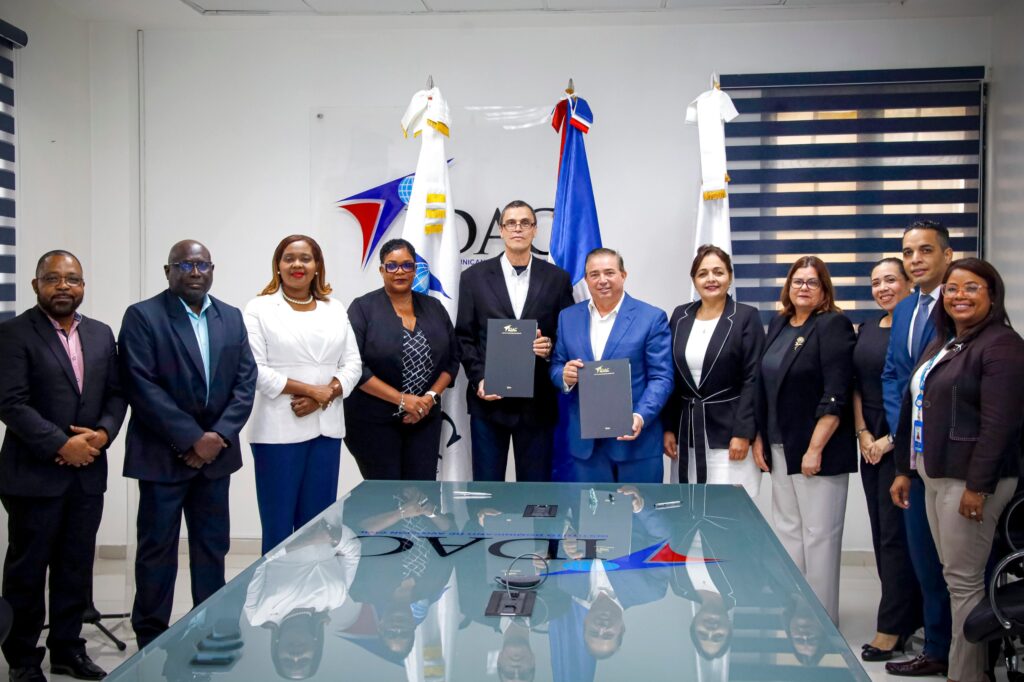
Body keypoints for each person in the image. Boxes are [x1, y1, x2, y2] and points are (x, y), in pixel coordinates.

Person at [891, 258, 1024, 682]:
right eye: (952, 289)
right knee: (953, 579)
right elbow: (914, 407)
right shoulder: (948, 343)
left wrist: (977, 488)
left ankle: (966, 676)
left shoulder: (1001, 345)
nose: (959, 296)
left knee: (963, 582)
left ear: (992, 295)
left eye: (971, 288)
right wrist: (904, 469)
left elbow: (1000, 425)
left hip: (970, 481)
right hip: (935, 474)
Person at [119, 239, 257, 649]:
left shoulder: (230, 317)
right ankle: (151, 636)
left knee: (212, 547)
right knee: (156, 550)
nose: (195, 272)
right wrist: (192, 438)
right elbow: (141, 385)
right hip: (162, 456)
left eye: (202, 265)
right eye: (184, 265)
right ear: (168, 272)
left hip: (216, 458)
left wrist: (217, 437)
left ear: (212, 270)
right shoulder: (143, 316)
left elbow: (245, 383)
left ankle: (211, 625)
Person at [0, 251, 127, 682]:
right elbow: (10, 402)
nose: (63, 286)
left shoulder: (100, 333)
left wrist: (104, 435)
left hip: (88, 472)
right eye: (52, 279)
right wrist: (61, 444)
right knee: (28, 571)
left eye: (72, 279)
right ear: (36, 285)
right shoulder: (14, 333)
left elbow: (116, 394)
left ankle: (67, 650)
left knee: (76, 566)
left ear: (83, 286)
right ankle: (22, 657)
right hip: (33, 475)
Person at [243, 234, 362, 555]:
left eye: (305, 258)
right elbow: (256, 369)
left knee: (320, 528)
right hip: (278, 431)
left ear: (317, 266)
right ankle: (276, 605)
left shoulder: (334, 308)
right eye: (289, 258)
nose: (297, 264)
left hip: (326, 429)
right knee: (280, 528)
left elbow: (353, 364)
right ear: (278, 266)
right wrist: (313, 391)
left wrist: (327, 393)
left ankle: (315, 605)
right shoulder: (259, 308)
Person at [753, 256, 855, 625]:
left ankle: (823, 618)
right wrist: (761, 437)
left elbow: (836, 392)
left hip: (817, 451)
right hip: (780, 445)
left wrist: (815, 448)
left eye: (812, 282)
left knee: (819, 537)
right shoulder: (779, 323)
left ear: (824, 288)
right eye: (798, 281)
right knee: (788, 532)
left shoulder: (832, 326)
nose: (804, 288)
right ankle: (796, 609)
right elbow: (766, 385)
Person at [455, 199, 574, 482]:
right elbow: (464, 336)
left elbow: (567, 335)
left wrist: (549, 349)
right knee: (487, 493)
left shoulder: (557, 279)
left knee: (536, 494)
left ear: (534, 230)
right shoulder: (474, 278)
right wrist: (479, 379)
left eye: (525, 223)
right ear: (501, 230)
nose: (518, 228)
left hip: (537, 403)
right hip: (489, 402)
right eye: (511, 223)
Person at [881, 219, 954, 677]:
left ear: (947, 255)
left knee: (960, 564)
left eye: (925, 251)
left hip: (953, 457)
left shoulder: (964, 299)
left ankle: (969, 652)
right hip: (912, 455)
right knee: (924, 561)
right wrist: (903, 437)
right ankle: (937, 647)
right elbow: (894, 375)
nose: (915, 260)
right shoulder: (907, 309)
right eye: (908, 253)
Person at [549, 248, 673, 483]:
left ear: (623, 275)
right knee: (593, 520)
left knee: (641, 518)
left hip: (637, 443)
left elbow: (662, 378)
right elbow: (556, 365)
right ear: (586, 279)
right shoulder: (568, 317)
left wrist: (640, 415)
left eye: (609, 272)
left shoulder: (651, 318)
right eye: (594, 274)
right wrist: (564, 376)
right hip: (587, 448)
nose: (602, 280)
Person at [852, 257, 922, 661]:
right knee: (883, 534)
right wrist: (863, 433)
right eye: (876, 282)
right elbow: (858, 385)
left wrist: (889, 441)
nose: (883, 288)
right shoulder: (867, 328)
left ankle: (891, 626)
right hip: (870, 442)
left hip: (903, 440)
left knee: (898, 536)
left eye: (891, 280)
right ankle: (903, 615)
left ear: (909, 282)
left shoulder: (919, 328)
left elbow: (916, 390)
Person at [344, 239, 459, 480]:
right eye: (392, 266)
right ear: (381, 270)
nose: (400, 272)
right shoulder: (362, 308)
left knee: (421, 494)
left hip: (424, 419)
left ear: (415, 269)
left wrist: (428, 399)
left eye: (407, 265)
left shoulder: (434, 307)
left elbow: (452, 360)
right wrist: (402, 400)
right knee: (385, 500)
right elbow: (354, 367)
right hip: (373, 422)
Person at [663, 244, 764, 497]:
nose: (711, 279)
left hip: (729, 435)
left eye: (718, 272)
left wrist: (743, 433)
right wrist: (668, 428)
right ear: (694, 280)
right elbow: (671, 375)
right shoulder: (680, 315)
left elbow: (753, 379)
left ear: (729, 276)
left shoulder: (745, 316)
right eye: (703, 273)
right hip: (687, 433)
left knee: (729, 515)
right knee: (687, 511)